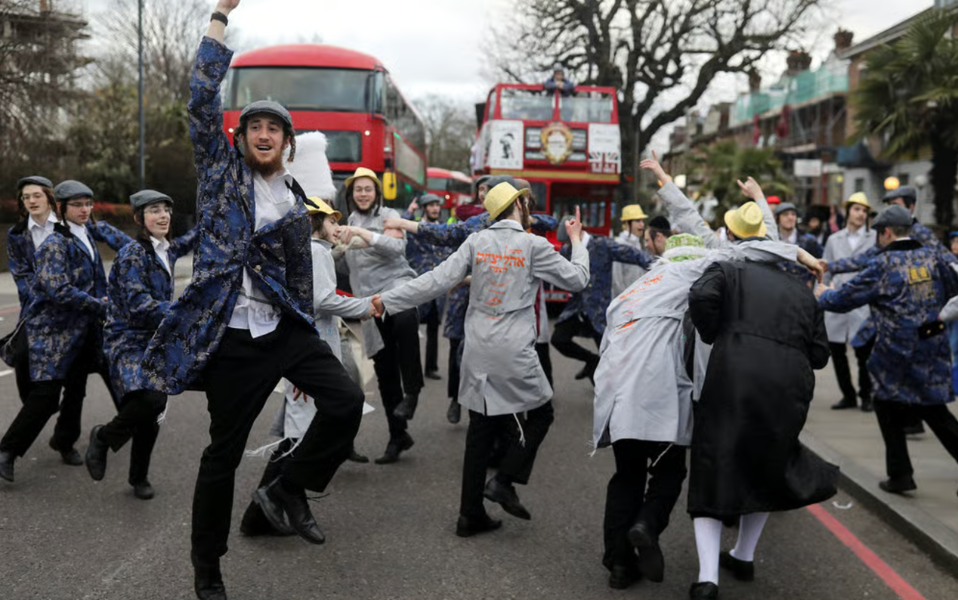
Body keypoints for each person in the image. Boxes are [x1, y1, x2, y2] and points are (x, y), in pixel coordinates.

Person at [136, 6, 365, 598]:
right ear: (240, 139)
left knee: (346, 401)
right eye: (255, 127)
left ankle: (286, 489)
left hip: (284, 331)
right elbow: (200, 98)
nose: (264, 134)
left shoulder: (292, 194)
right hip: (232, 336)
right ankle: (207, 567)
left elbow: (296, 269)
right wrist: (219, 15)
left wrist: (311, 319)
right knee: (223, 455)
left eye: (274, 129)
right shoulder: (220, 173)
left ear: (287, 143)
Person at [594, 232, 820, 590]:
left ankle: (619, 565)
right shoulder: (695, 269)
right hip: (660, 389)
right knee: (669, 471)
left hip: (617, 389)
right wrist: (796, 253)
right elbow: (744, 250)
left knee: (626, 475)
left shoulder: (637, 288)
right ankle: (647, 523)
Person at [373, 181, 590, 537]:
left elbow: (435, 280)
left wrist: (388, 300)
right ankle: (504, 480)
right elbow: (578, 279)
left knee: (480, 429)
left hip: (477, 349)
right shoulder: (532, 245)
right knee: (542, 414)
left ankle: (469, 514)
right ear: (518, 206)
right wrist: (577, 240)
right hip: (513, 349)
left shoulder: (477, 241)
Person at [685, 233, 838, 600]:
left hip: (735, 373)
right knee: (768, 465)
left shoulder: (727, 269)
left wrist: (715, 332)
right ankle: (743, 556)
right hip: (790, 385)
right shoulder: (802, 290)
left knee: (713, 463)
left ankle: (708, 579)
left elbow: (701, 295)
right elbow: (819, 356)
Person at [240, 197, 376, 537]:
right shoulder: (316, 252)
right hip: (310, 355)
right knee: (300, 435)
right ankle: (264, 509)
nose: (337, 227)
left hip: (309, 352)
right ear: (315, 223)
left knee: (297, 432)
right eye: (331, 221)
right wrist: (365, 306)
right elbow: (323, 300)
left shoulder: (311, 251)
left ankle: (258, 516)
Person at [383, 176, 557, 424]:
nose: (484, 195)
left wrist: (529, 219)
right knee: (460, 347)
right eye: (482, 191)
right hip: (471, 298)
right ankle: (459, 400)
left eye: (489, 191)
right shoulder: (482, 221)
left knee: (519, 355)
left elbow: (553, 224)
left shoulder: (530, 228)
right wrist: (403, 222)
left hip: (514, 305)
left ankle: (507, 418)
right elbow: (446, 232)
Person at [817, 205, 958, 496]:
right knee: (931, 408)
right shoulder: (935, 256)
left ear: (886, 233)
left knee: (889, 403)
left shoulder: (883, 264)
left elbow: (844, 299)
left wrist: (823, 294)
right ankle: (900, 473)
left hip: (896, 351)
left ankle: (900, 474)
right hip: (932, 342)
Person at [0, 179, 131, 482]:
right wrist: (100, 305)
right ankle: (7, 451)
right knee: (46, 395)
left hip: (85, 327)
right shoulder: (54, 244)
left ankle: (64, 440)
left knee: (77, 389)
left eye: (88, 204)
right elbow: (58, 290)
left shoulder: (85, 231)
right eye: (77, 205)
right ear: (61, 207)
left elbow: (121, 252)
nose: (85, 209)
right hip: (53, 330)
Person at [84, 190, 198, 500]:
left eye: (166, 210)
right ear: (139, 218)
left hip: (154, 340)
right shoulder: (133, 254)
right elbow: (138, 305)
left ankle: (138, 477)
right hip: (127, 339)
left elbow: (192, 239)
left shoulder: (166, 250)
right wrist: (184, 311)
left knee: (150, 414)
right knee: (151, 399)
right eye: (154, 211)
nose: (163, 216)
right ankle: (103, 437)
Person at [338, 167, 423, 463]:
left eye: (368, 189)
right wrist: (331, 251)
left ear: (376, 192)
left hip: (394, 289)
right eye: (358, 189)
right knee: (386, 374)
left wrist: (363, 234)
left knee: (405, 317)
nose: (363, 194)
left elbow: (397, 248)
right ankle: (398, 436)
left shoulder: (389, 216)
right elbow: (347, 263)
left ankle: (413, 390)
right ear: (351, 194)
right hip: (368, 305)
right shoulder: (347, 221)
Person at [550, 213, 654, 384]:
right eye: (566, 242)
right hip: (577, 309)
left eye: (568, 240)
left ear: (578, 231)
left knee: (609, 366)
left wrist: (657, 266)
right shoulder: (566, 250)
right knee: (558, 339)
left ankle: (612, 388)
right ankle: (592, 360)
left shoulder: (601, 244)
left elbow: (631, 253)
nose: (567, 245)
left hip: (599, 312)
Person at [4, 176, 61, 404]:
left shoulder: (65, 228)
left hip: (71, 306)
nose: (31, 201)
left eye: (37, 195)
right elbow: (21, 275)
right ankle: (35, 407)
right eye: (26, 197)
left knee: (77, 368)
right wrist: (44, 299)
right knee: (22, 357)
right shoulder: (16, 234)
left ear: (49, 198)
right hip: (34, 309)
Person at [821, 193, 876, 411]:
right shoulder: (834, 239)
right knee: (837, 352)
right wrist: (821, 293)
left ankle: (866, 395)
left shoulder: (874, 238)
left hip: (862, 303)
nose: (861, 214)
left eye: (864, 211)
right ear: (848, 211)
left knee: (864, 353)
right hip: (836, 300)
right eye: (857, 209)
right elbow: (825, 269)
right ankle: (848, 395)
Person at [402, 193, 452, 380]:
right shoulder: (414, 227)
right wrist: (409, 212)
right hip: (419, 285)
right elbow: (400, 226)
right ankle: (411, 370)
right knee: (410, 331)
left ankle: (431, 368)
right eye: (431, 205)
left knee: (433, 331)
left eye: (437, 205)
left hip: (438, 290)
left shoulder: (444, 229)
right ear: (423, 208)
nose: (435, 208)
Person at [774, 201, 824, 287]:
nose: (790, 217)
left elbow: (823, 259)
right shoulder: (772, 241)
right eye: (785, 214)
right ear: (778, 218)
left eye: (793, 214)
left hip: (803, 286)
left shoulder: (808, 240)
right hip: (778, 285)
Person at [611, 204, 648, 297]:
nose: (642, 224)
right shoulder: (619, 244)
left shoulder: (637, 243)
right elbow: (616, 279)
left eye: (642, 221)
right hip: (624, 300)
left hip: (637, 298)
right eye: (638, 221)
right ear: (627, 223)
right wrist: (624, 299)